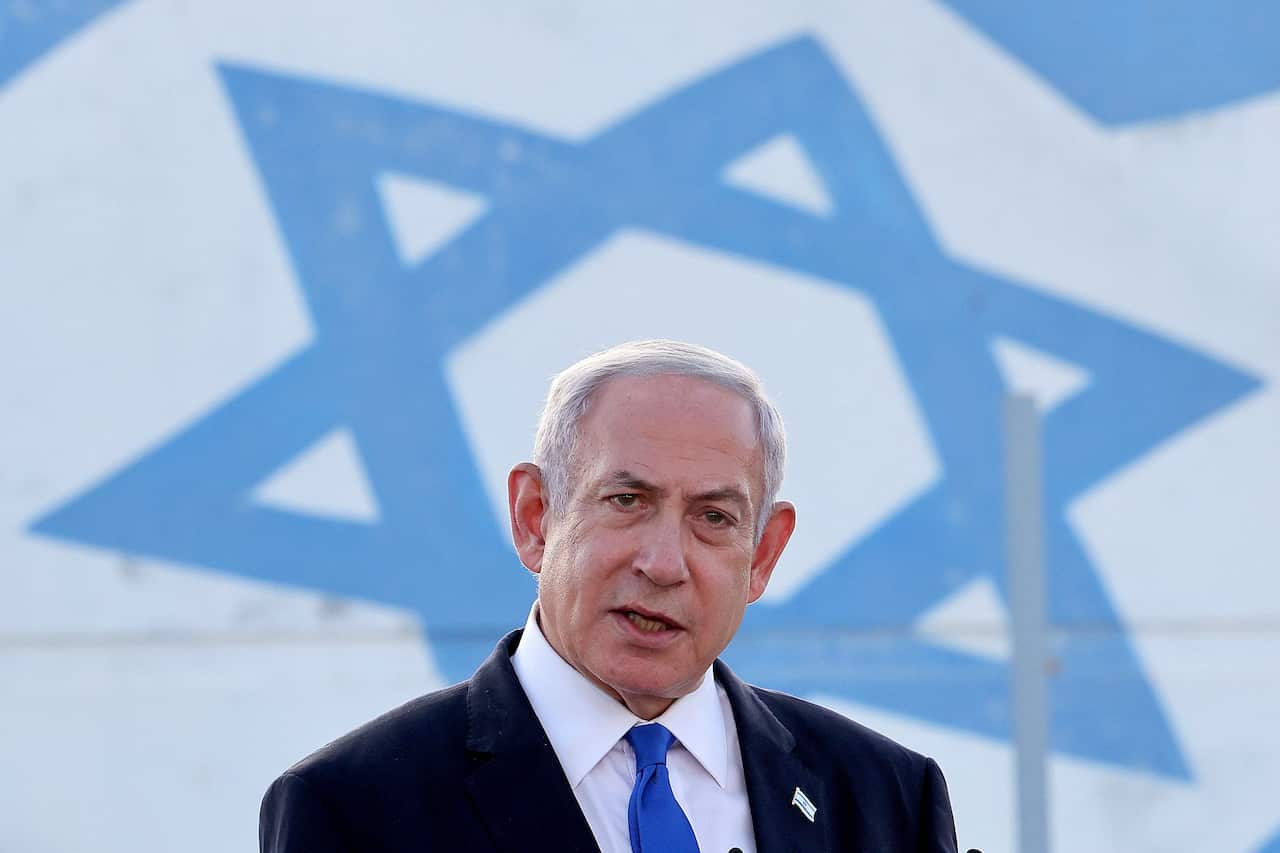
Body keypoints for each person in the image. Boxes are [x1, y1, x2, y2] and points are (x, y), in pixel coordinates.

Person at [260, 339, 958, 853]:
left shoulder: (886, 800)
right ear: (536, 517)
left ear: (763, 553)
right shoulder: (354, 808)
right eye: (626, 500)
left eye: (714, 517)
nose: (663, 563)